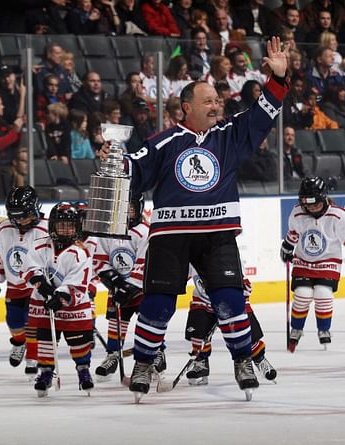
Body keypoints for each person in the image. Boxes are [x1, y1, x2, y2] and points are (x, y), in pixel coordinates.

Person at [101, 36, 288, 401]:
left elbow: (264, 114)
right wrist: (112, 159)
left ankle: (241, 360)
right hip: (171, 237)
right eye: (209, 101)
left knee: (230, 300)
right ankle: (143, 363)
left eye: (218, 100)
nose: (217, 104)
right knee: (158, 304)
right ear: (186, 108)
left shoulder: (231, 136)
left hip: (217, 234)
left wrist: (278, 80)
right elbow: (133, 168)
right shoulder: (164, 142)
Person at [280, 177, 345, 352]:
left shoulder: (338, 215)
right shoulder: (298, 212)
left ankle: (323, 329)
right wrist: (287, 245)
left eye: (315, 203)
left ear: (324, 198)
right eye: (307, 203)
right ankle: (297, 329)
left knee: (323, 294)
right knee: (302, 294)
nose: (311, 207)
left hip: (328, 262)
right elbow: (293, 233)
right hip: (303, 261)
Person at [24, 202, 95, 397]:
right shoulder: (39, 245)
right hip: (43, 304)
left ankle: (83, 370)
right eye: (61, 224)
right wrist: (40, 283)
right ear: (52, 225)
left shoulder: (80, 252)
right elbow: (30, 267)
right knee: (46, 339)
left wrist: (61, 296)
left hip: (74, 308)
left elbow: (78, 282)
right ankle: (46, 372)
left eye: (70, 225)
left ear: (77, 227)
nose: (65, 229)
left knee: (79, 342)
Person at [93, 195, 159, 380]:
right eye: (122, 207)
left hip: (142, 289)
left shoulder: (145, 231)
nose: (126, 212)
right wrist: (114, 281)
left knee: (149, 323)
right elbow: (100, 260)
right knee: (116, 322)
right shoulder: (109, 230)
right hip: (118, 288)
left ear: (138, 208)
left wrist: (130, 287)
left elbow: (144, 263)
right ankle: (113, 354)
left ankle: (156, 354)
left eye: (130, 207)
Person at [0, 186, 49, 375]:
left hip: (36, 287)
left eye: (24, 215)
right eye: (15, 216)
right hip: (14, 285)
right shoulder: (4, 228)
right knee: (13, 321)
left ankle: (32, 358)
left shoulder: (46, 228)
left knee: (32, 323)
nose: (19, 220)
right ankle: (19, 343)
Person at [184, 270, 277, 384]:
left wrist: (242, 290)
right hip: (203, 302)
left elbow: (244, 282)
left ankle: (259, 359)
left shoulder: (227, 253)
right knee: (197, 330)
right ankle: (201, 362)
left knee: (246, 333)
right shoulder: (192, 255)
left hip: (229, 301)